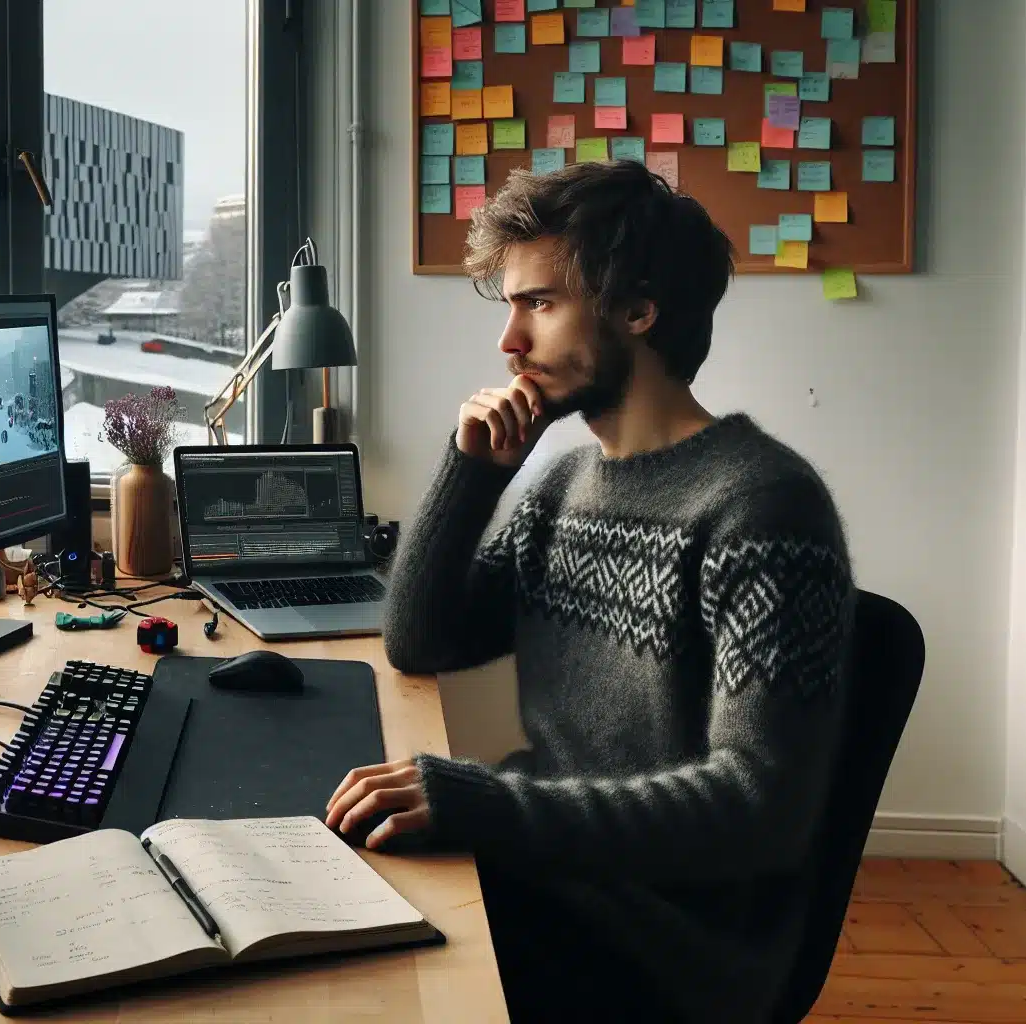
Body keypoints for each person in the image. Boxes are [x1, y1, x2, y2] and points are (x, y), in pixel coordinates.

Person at [323, 160, 856, 1023]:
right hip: (556, 870)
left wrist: (487, 803)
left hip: (665, 938)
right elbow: (422, 642)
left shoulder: (762, 506)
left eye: (538, 303)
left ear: (637, 311)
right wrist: (471, 474)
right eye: (510, 306)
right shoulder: (567, 483)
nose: (509, 341)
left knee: (366, 982)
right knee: (337, 889)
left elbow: (758, 809)